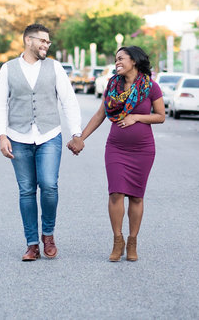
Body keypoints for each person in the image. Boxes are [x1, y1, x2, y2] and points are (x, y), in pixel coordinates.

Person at [0, 23, 84, 261]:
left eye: (48, 42)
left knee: (49, 185)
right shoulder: (8, 68)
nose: (46, 45)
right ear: (28, 41)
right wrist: (2, 136)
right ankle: (31, 244)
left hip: (49, 135)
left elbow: (69, 101)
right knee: (26, 191)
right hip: (18, 136)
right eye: (42, 41)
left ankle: (48, 235)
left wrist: (76, 132)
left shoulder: (54, 67)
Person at [69, 45, 165, 262]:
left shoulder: (151, 87)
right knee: (115, 193)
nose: (117, 62)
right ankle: (117, 240)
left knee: (137, 196)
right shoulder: (113, 86)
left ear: (134, 60)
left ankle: (132, 241)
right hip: (116, 148)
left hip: (143, 150)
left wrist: (137, 117)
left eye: (121, 58)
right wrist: (80, 138)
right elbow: (99, 115)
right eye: (116, 59)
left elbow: (160, 116)